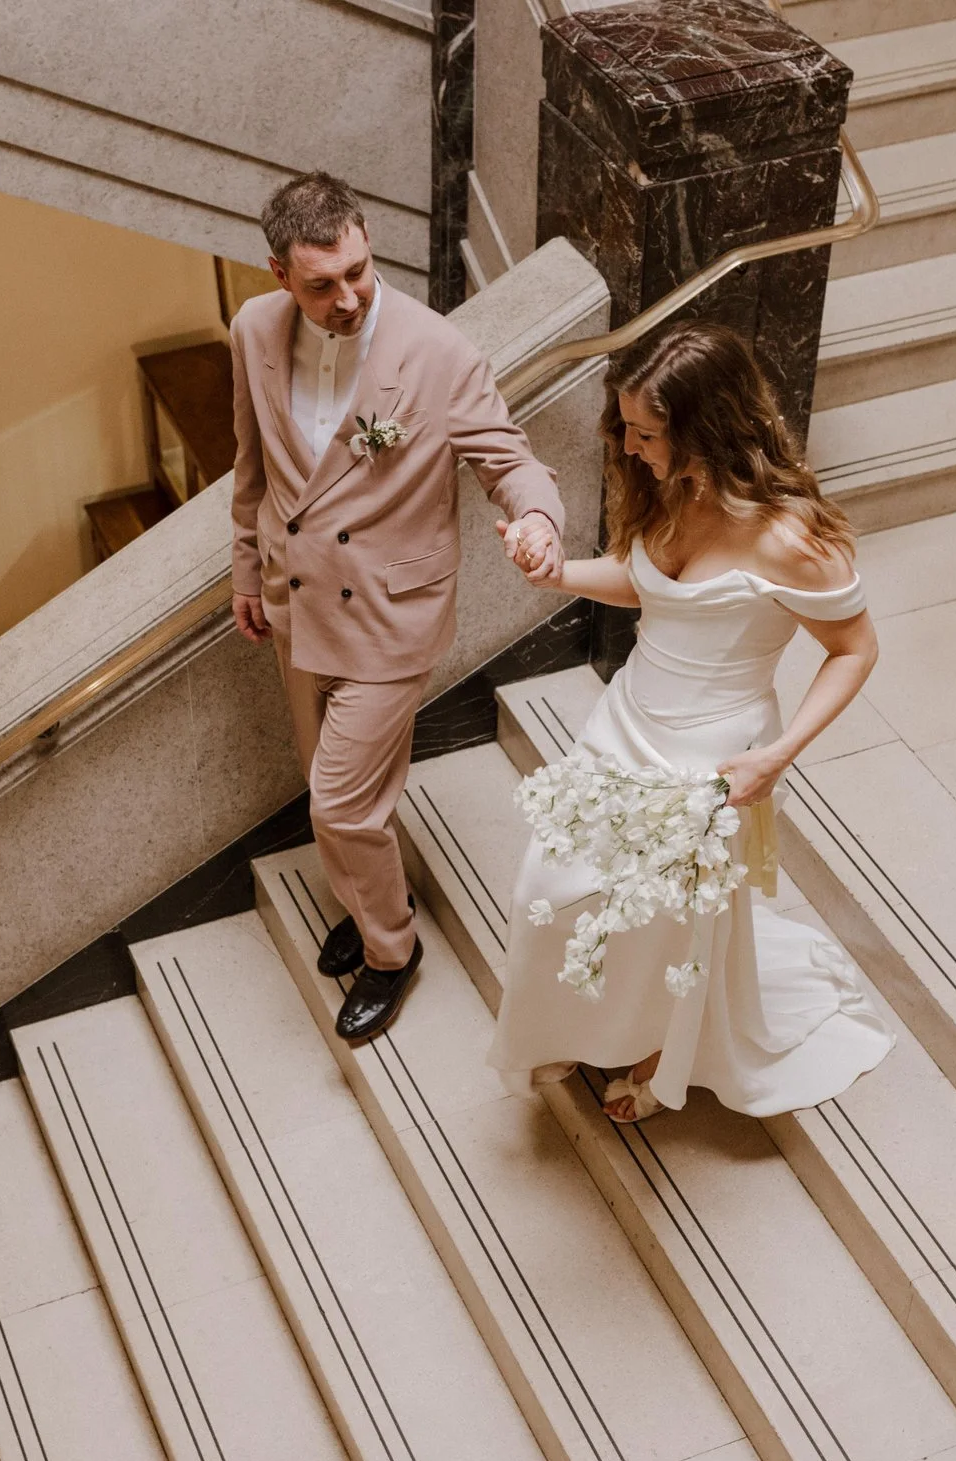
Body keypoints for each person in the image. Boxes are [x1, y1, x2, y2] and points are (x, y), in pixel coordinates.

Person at [490, 323, 894, 1121]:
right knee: (551, 884)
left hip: (713, 752)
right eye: (628, 428)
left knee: (672, 923)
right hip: (628, 718)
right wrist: (556, 573)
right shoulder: (674, 489)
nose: (631, 447)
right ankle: (584, 1021)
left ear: (704, 428)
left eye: (647, 433)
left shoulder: (791, 540)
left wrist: (776, 757)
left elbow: (855, 649)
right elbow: (650, 585)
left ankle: (654, 1052)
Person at [230, 171, 565, 1041]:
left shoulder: (437, 350)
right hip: (294, 601)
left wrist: (534, 516)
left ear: (367, 238)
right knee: (336, 787)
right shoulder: (253, 331)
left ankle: (392, 949)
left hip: (390, 617)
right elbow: (253, 468)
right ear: (278, 274)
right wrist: (242, 570)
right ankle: (368, 894)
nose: (347, 298)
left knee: (338, 804)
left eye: (359, 272)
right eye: (320, 285)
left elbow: (508, 457)